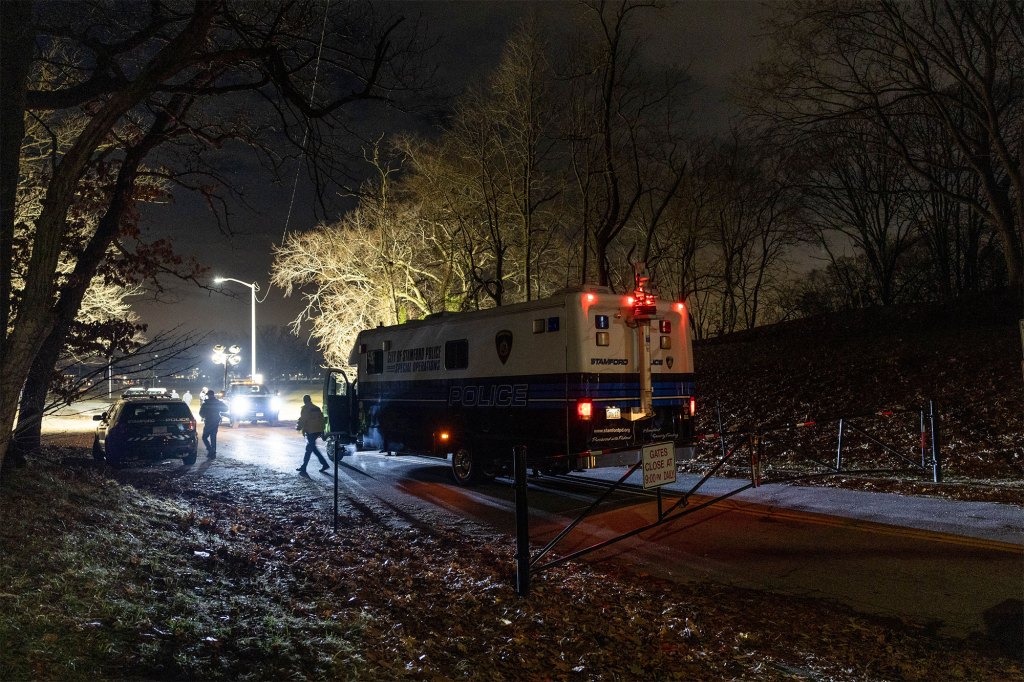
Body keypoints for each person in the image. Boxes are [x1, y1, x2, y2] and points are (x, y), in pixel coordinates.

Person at [295, 394, 329, 474]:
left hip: (311, 431)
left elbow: (303, 419)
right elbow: (321, 419)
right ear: (310, 400)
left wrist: (299, 427)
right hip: (318, 430)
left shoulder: (305, 408)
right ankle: (323, 464)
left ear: (304, 400)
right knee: (312, 448)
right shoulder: (316, 408)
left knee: (309, 449)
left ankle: (304, 467)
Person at [198, 389, 226, 458]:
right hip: (215, 422)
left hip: (208, 422)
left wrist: (204, 415)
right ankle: (213, 453)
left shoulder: (206, 403)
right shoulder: (218, 402)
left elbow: (201, 414)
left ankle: (211, 450)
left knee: (204, 437)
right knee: (213, 438)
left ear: (209, 396)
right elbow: (225, 409)